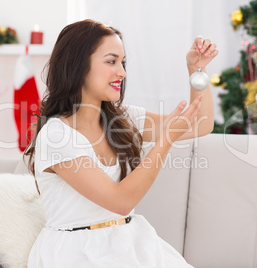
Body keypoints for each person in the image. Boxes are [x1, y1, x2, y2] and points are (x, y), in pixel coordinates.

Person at [24, 19, 218, 267]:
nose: (122, 72)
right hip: (77, 253)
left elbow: (201, 123)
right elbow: (120, 202)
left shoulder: (122, 118)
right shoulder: (56, 136)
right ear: (78, 66)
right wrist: (166, 139)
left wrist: (197, 70)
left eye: (122, 63)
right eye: (111, 61)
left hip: (129, 242)